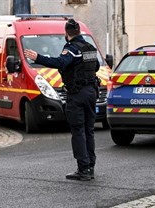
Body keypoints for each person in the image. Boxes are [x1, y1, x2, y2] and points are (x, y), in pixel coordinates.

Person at [24, 19, 100, 181]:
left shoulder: (71, 48)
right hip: (92, 92)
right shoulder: (90, 48)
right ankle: (90, 166)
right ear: (79, 31)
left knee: (78, 130)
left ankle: (83, 169)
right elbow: (97, 67)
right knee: (89, 130)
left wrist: (38, 57)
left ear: (67, 34)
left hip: (77, 93)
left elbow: (60, 62)